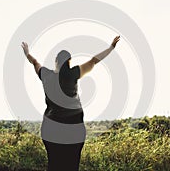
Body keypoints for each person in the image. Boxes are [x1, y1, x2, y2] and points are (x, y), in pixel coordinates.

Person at [21, 35, 120, 171]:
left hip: (51, 128)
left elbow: (35, 62)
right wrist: (110, 48)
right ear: (69, 62)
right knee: (72, 165)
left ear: (55, 61)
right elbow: (93, 61)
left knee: (54, 164)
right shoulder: (73, 73)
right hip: (73, 127)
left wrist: (27, 53)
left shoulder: (46, 75)